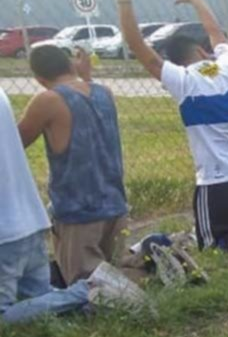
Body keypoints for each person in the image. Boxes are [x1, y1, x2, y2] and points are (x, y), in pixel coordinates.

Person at [119, 0, 228, 253]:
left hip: (218, 182)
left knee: (211, 246)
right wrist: (198, 3)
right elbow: (216, 33)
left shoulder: (183, 80)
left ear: (177, 64)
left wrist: (124, 4)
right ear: (203, 52)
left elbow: (136, 45)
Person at [1, 85, 144, 324]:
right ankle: (98, 295)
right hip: (31, 221)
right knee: (43, 302)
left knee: (7, 316)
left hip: (8, 234)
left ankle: (90, 288)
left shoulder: (46, 100)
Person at [17, 47, 128, 284]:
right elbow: (86, 103)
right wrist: (85, 76)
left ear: (39, 79)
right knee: (115, 282)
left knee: (86, 289)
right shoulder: (104, 93)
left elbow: (14, 143)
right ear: (70, 65)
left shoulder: (48, 100)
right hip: (115, 205)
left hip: (78, 213)